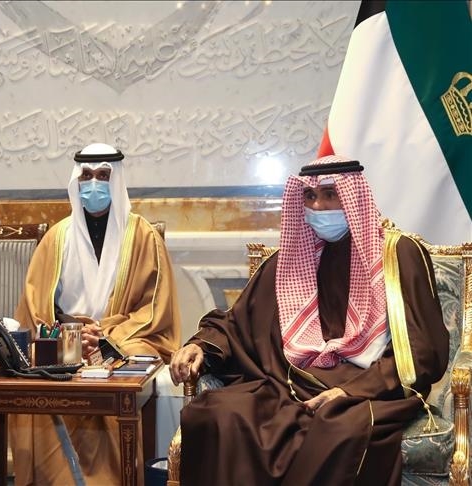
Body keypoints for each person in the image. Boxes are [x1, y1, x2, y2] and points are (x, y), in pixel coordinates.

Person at [170, 155, 449, 485]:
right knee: (217, 413)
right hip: (290, 381)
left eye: (330, 195)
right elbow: (237, 324)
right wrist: (201, 346)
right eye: (310, 196)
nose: (318, 206)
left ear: (353, 196)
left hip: (368, 387)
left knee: (338, 430)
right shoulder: (288, 260)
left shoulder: (398, 255)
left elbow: (420, 351)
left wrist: (348, 391)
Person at [10, 143, 181, 485]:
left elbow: (154, 310)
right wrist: (68, 336)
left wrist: (104, 337)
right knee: (41, 378)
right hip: (65, 340)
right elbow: (36, 306)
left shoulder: (143, 237)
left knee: (118, 374)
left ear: (116, 180)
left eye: (103, 176)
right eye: (86, 176)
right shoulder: (57, 238)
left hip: (124, 340)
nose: (93, 184)